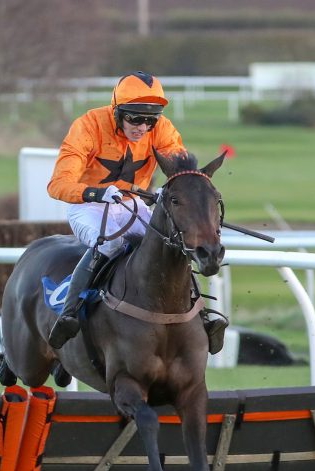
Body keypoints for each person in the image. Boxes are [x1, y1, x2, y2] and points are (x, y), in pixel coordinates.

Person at [45, 71, 226, 351]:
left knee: (172, 241)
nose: (143, 127)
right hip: (88, 207)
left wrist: (181, 190)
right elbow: (58, 185)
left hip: (132, 204)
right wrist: (96, 193)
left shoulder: (162, 129)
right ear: (117, 112)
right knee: (111, 243)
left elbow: (179, 169)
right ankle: (69, 313)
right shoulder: (88, 126)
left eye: (150, 120)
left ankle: (201, 315)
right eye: (135, 118)